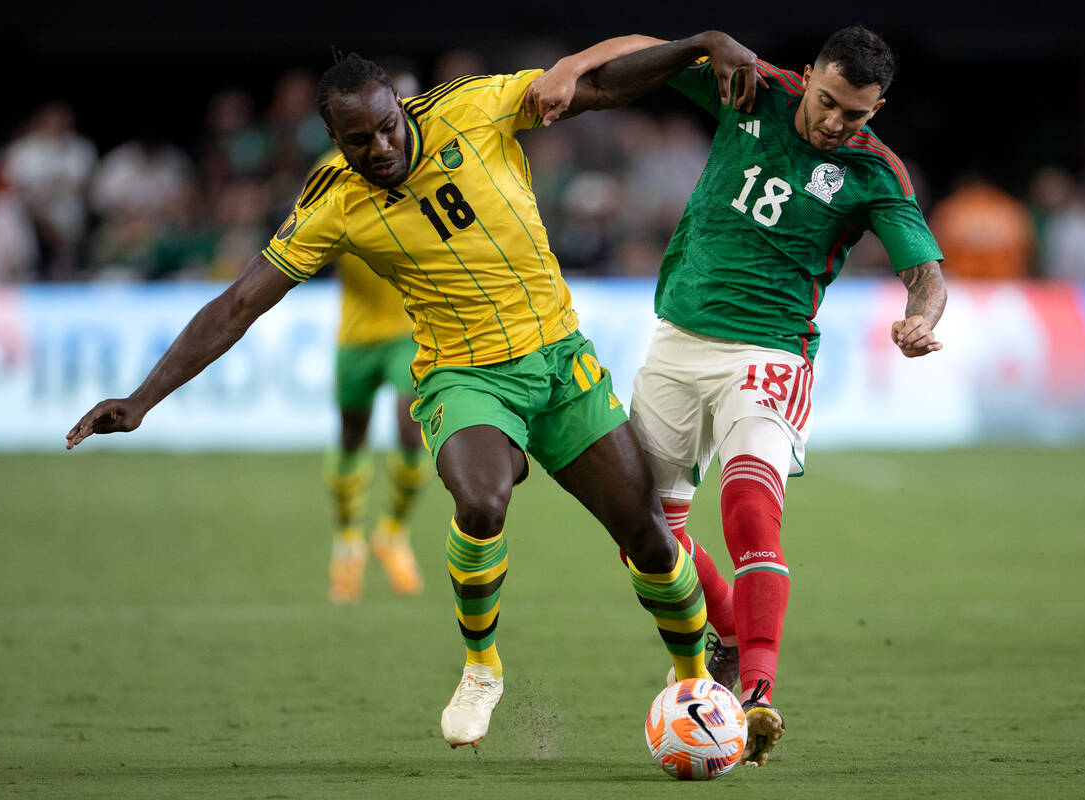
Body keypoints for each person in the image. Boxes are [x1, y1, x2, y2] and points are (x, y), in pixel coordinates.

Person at [66, 31, 767, 750]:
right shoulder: (334, 204)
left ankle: (692, 680)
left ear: (402, 108)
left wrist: (701, 47)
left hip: (560, 364)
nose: (378, 149)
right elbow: (239, 303)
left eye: (386, 127)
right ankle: (481, 667)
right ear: (332, 141)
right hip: (462, 375)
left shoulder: (477, 108)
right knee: (482, 498)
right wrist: (144, 397)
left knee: (650, 539)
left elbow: (607, 86)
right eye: (356, 140)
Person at [532, 24, 947, 766]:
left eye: (857, 114)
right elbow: (639, 46)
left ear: (878, 107)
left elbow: (926, 272)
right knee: (646, 535)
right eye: (828, 102)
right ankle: (724, 636)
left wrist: (922, 317)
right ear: (811, 73)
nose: (836, 123)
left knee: (749, 506)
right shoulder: (750, 87)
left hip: (770, 351)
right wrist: (568, 67)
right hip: (678, 339)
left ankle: (755, 693)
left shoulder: (877, 172)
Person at [324, 248, 429, 603]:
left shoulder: (409, 195)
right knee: (351, 440)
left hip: (406, 333)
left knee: (410, 429)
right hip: (355, 340)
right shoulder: (338, 199)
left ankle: (394, 533)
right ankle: (348, 542)